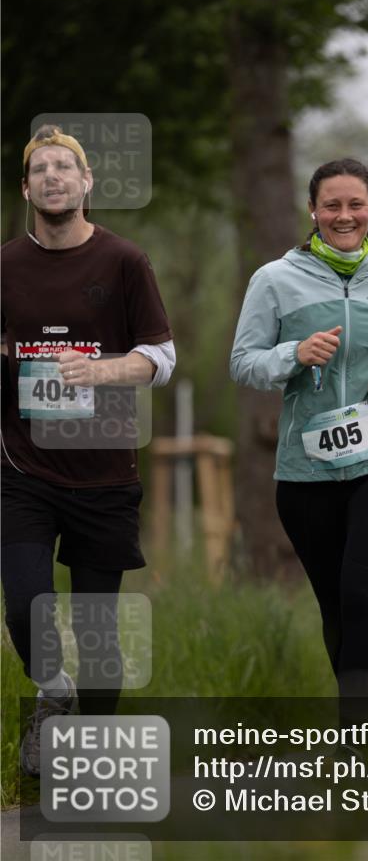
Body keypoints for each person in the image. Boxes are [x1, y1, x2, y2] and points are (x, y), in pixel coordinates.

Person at [230, 158, 368, 727]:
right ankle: (364, 716)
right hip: (306, 471)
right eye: (332, 205)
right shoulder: (274, 279)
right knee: (337, 604)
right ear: (313, 212)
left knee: (363, 591)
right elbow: (243, 363)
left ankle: (357, 729)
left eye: (355, 205)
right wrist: (292, 355)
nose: (344, 216)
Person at [1, 125, 175, 775]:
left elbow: (162, 357)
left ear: (86, 182)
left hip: (103, 467)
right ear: (26, 188)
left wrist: (100, 371)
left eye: (64, 167)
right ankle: (52, 692)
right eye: (40, 169)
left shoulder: (124, 261)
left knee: (99, 633)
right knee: (24, 602)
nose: (52, 176)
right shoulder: (5, 265)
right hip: (21, 468)